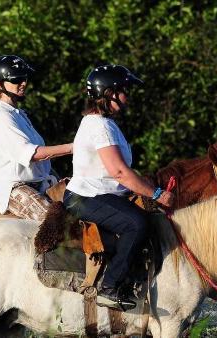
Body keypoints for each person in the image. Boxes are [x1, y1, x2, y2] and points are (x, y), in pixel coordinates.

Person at [64, 64, 174, 310]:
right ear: (109, 93)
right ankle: (110, 287)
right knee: (136, 224)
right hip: (85, 196)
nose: (127, 96)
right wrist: (157, 194)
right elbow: (119, 172)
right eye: (124, 90)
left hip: (101, 193)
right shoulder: (99, 126)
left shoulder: (104, 123)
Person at [0, 55, 72, 221]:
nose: (23, 83)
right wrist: (73, 147)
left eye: (24, 78)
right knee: (59, 223)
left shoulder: (18, 114)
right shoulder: (2, 117)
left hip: (39, 183)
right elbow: (32, 154)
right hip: (15, 188)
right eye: (17, 79)